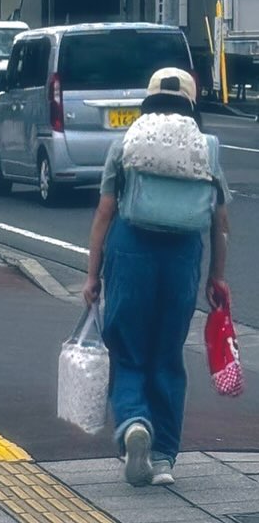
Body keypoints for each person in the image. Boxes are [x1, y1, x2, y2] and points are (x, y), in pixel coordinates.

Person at [83, 68, 231, 488]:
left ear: (147, 101)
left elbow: (104, 213)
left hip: (130, 251)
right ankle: (164, 457)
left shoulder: (125, 144)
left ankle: (133, 422)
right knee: (167, 354)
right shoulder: (207, 149)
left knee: (127, 349)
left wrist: (92, 276)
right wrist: (217, 277)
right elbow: (220, 222)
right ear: (191, 102)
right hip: (182, 257)